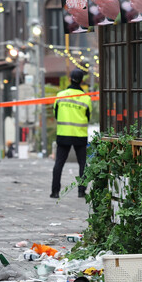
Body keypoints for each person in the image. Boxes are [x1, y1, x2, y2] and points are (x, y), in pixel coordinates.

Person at [50, 68, 92, 198]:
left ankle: (55, 191)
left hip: (64, 134)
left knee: (59, 163)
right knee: (83, 164)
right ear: (82, 81)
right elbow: (88, 117)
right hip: (80, 135)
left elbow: (55, 114)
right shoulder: (86, 99)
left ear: (70, 79)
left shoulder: (61, 95)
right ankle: (81, 191)